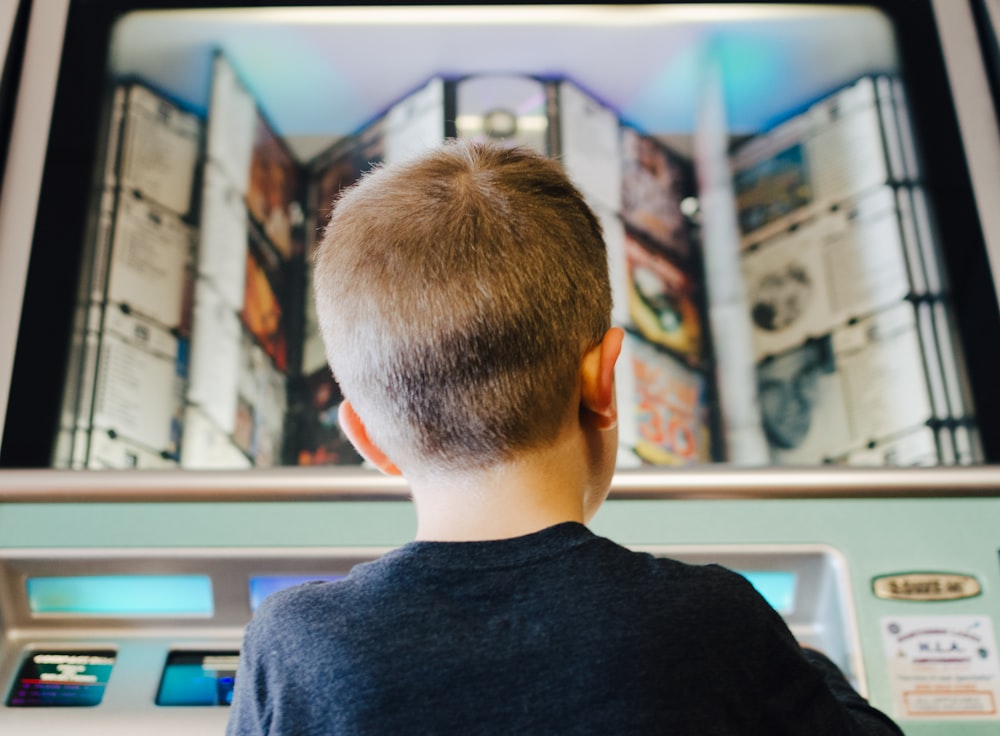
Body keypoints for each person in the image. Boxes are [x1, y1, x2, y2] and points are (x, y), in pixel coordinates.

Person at [226, 139, 902, 735]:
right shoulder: (712, 621)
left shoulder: (295, 645)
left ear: (366, 438)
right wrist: (807, 668)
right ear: (603, 381)